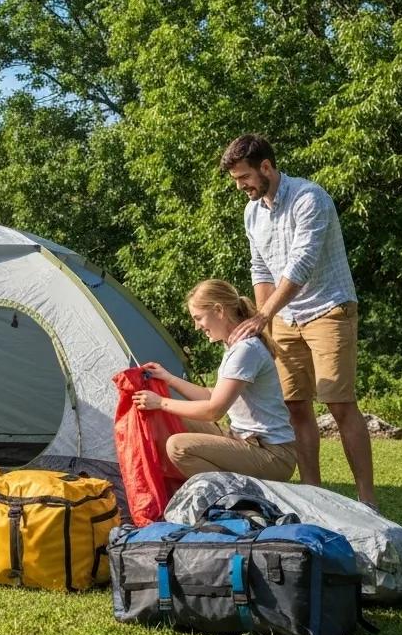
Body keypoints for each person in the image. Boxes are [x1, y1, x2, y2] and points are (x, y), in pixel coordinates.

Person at [220, 133, 376, 506]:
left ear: (267, 167)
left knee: (339, 404)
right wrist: (264, 326)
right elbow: (261, 268)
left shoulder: (310, 198)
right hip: (283, 316)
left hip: (328, 309)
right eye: (236, 180)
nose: (241, 186)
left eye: (244, 178)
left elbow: (300, 265)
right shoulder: (252, 212)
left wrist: (262, 316)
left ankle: (368, 501)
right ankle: (314, 496)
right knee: (295, 405)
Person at [134, 280, 297, 480]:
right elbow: (212, 395)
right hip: (247, 442)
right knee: (174, 419)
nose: (196, 326)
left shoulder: (245, 350)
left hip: (273, 455)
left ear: (219, 310)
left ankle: (233, 493)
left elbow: (214, 411)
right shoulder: (235, 347)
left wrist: (160, 402)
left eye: (198, 318)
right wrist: (169, 379)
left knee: (178, 447)